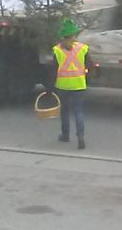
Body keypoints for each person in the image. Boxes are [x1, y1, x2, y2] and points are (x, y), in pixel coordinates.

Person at [50, 18, 92, 150]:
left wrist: (51, 85)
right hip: (79, 85)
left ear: (62, 36)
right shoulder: (82, 49)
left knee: (65, 111)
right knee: (78, 111)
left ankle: (65, 135)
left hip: (63, 85)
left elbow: (53, 69)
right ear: (74, 35)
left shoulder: (57, 50)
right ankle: (80, 137)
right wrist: (86, 78)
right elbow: (90, 66)